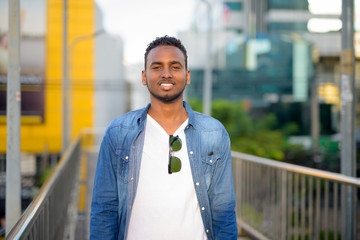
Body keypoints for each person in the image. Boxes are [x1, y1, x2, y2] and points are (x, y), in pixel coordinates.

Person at [90, 35, 237, 240]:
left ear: (187, 76)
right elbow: (104, 207)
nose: (166, 74)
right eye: (157, 67)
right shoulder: (119, 132)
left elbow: (224, 210)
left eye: (175, 67)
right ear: (144, 76)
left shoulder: (213, 133)